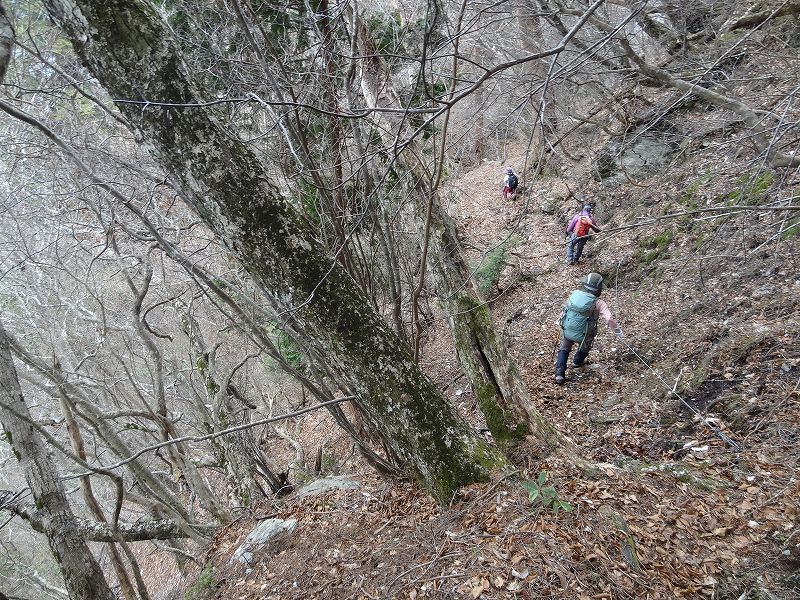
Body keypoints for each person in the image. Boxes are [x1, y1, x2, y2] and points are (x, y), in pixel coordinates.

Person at [554, 272, 623, 385]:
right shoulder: (599, 303)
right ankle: (577, 361)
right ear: (599, 289)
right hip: (585, 333)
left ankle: (559, 373)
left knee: (564, 348)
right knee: (586, 346)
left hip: (568, 327)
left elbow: (565, 309)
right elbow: (609, 319)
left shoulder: (574, 294)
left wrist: (559, 321)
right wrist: (618, 332)